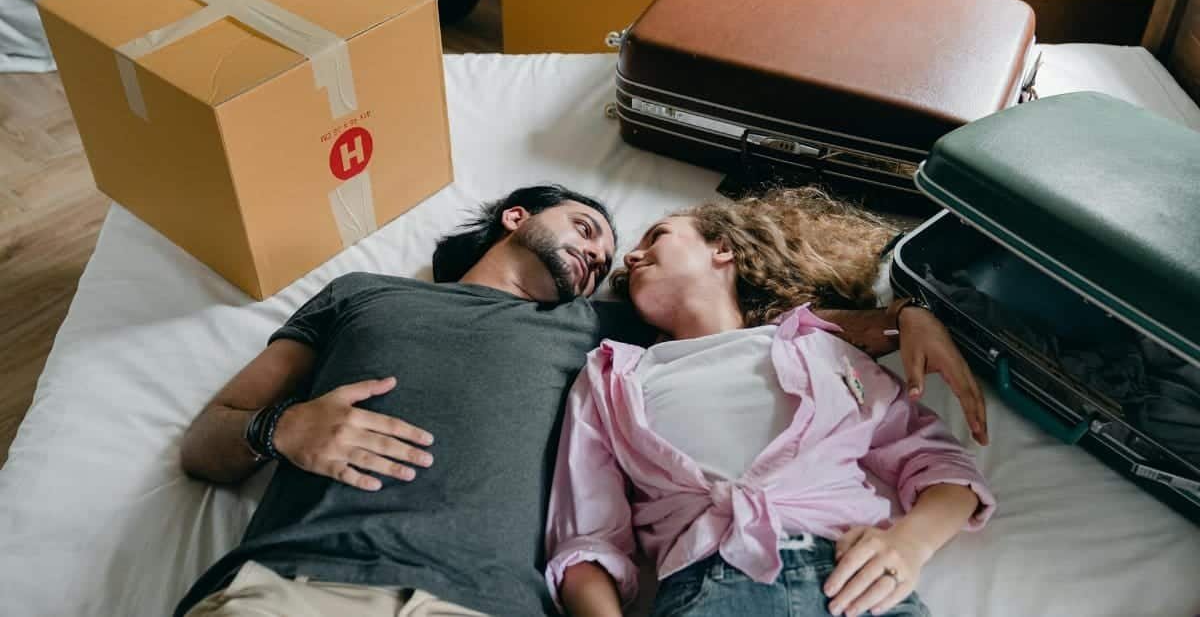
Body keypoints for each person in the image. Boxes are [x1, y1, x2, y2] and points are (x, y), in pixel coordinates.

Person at [174, 184, 986, 617]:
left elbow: (764, 334)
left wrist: (908, 315)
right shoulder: (365, 295)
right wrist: (282, 427)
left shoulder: (607, 339)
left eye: (614, 255)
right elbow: (204, 444)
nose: (606, 257)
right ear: (516, 216)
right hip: (296, 584)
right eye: (588, 228)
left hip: (482, 605)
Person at [545, 188, 994, 617]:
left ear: (722, 249)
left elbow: (942, 467)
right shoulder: (611, 377)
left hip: (858, 581)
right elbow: (586, 544)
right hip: (709, 589)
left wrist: (909, 545)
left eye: (656, 236)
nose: (630, 257)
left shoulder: (820, 350)